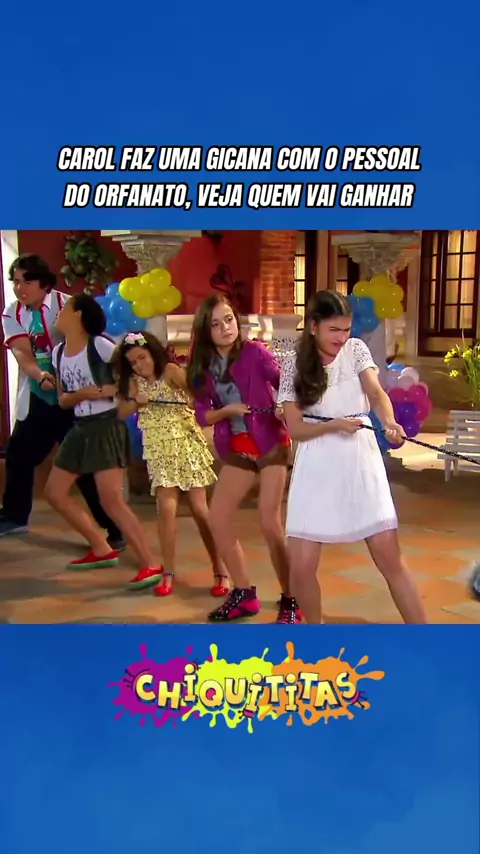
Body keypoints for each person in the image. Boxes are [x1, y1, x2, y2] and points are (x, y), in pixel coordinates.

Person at [275, 290, 427, 625]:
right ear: (313, 326)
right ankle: (316, 636)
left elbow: (376, 393)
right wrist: (334, 426)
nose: (341, 338)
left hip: (360, 460)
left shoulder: (356, 350)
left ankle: (425, 635)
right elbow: (296, 429)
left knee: (389, 558)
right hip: (316, 464)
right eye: (334, 330)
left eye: (345, 329)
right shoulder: (294, 363)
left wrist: (389, 422)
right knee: (301, 568)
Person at [187, 294, 300, 624]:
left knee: (269, 521)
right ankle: (244, 593)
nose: (226, 328)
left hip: (270, 442)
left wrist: (283, 405)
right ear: (205, 331)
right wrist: (228, 411)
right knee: (218, 518)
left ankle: (292, 599)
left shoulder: (254, 352)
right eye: (216, 324)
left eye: (229, 319)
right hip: (237, 446)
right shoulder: (202, 367)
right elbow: (202, 416)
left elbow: (285, 384)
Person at [0, 254, 124, 548]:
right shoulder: (12, 312)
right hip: (39, 397)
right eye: (15, 282)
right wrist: (40, 374)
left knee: (84, 466)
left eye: (26, 281)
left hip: (73, 400)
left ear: (43, 283)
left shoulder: (68, 306)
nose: (19, 288)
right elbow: (21, 352)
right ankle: (15, 517)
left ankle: (115, 529)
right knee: (19, 455)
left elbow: (94, 347)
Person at [44, 293, 162, 576]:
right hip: (80, 427)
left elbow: (128, 380)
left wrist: (103, 392)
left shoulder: (100, 345)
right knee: (54, 492)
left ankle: (151, 563)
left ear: (79, 315)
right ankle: (100, 546)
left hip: (106, 425)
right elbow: (63, 399)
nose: (59, 312)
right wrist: (84, 394)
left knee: (111, 500)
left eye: (65, 308)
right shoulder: (58, 353)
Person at [115, 330, 228, 595]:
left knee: (200, 510)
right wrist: (136, 402)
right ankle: (168, 572)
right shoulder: (134, 383)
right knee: (166, 509)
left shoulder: (170, 371)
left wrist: (191, 397)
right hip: (158, 450)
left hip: (186, 444)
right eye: (133, 362)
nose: (139, 365)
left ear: (152, 353)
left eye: (142, 358)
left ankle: (221, 569)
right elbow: (121, 412)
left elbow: (197, 396)